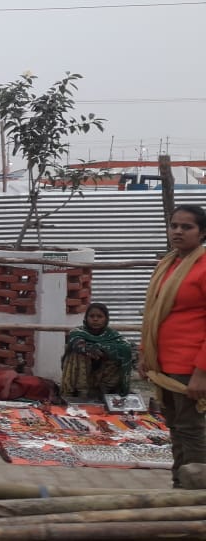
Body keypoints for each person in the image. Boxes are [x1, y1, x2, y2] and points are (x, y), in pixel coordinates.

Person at [139, 204, 206, 488]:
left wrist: (201, 373)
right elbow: (153, 313)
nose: (177, 231)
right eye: (174, 225)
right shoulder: (169, 264)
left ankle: (197, 495)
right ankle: (180, 485)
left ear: (202, 233)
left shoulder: (202, 268)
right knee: (177, 429)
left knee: (191, 431)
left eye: (186, 227)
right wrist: (145, 356)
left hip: (190, 368)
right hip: (163, 365)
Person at [60, 302, 134, 399]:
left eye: (100, 316)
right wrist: (91, 350)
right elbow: (77, 343)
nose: (95, 319)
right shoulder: (78, 332)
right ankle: (79, 393)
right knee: (76, 353)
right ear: (86, 318)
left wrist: (104, 350)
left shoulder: (112, 335)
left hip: (103, 378)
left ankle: (106, 391)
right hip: (82, 378)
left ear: (106, 319)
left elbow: (126, 348)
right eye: (92, 316)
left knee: (121, 352)